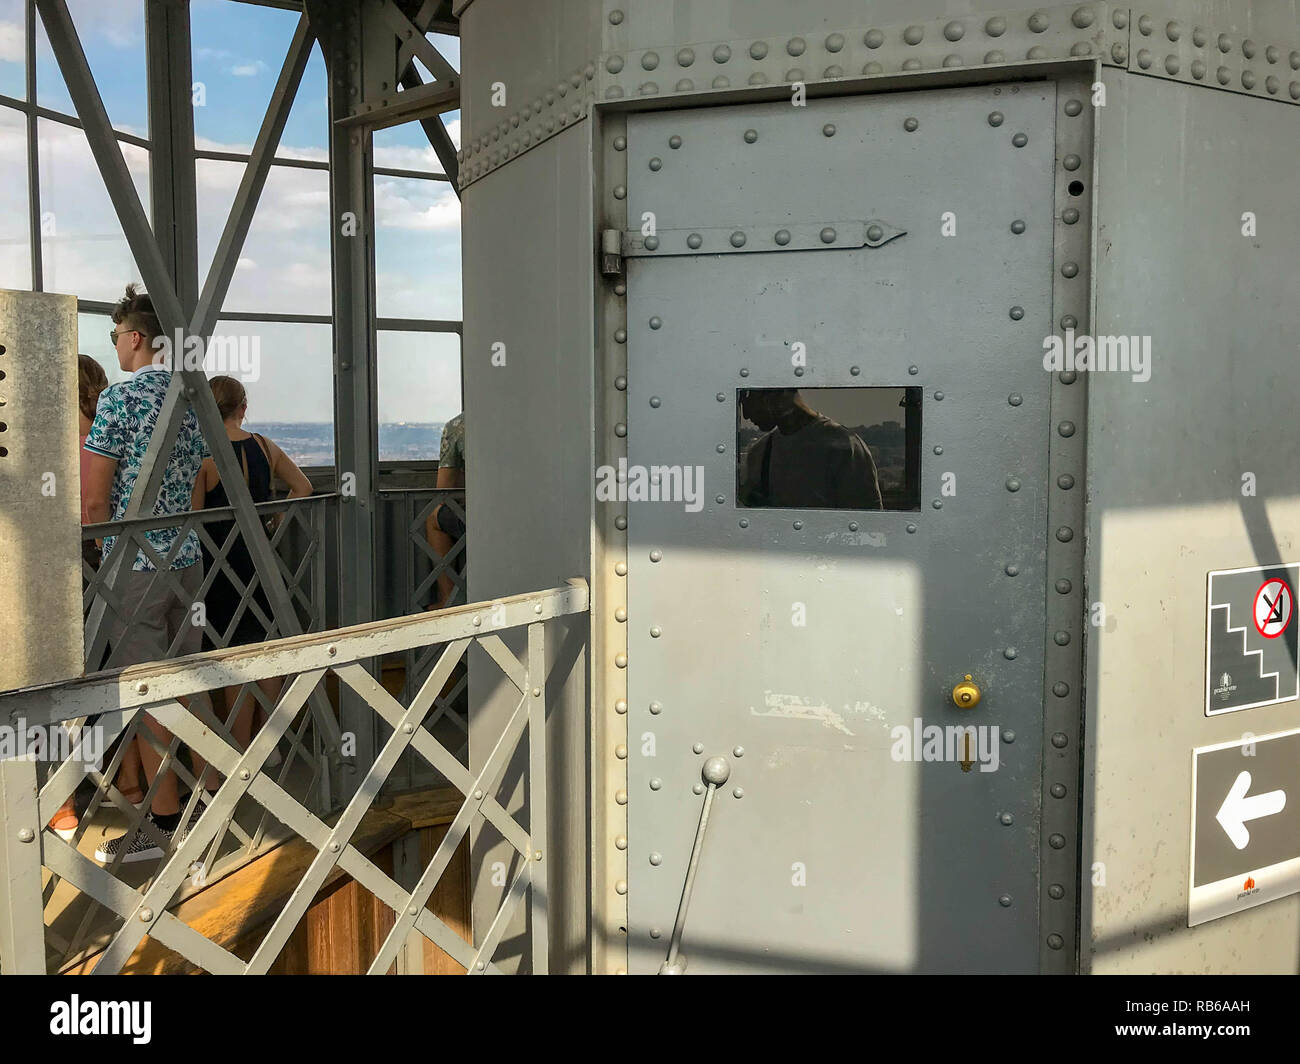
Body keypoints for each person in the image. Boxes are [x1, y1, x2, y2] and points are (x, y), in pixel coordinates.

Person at [84, 284, 212, 864]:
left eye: (115, 337)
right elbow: (200, 478)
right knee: (188, 684)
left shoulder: (118, 402)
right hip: (188, 561)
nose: (114, 347)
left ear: (134, 338)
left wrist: (94, 557)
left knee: (144, 694)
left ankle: (160, 828)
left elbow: (92, 502)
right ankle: (212, 801)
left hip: (132, 567)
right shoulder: (193, 396)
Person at [191, 376, 312, 789]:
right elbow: (303, 486)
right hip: (260, 557)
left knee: (231, 656)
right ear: (243, 407)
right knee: (264, 646)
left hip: (218, 564)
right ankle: (270, 738)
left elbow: (192, 519)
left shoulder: (204, 456)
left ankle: (240, 750)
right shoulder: (263, 445)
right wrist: (274, 518)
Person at [738, 389, 883, 510]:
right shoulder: (759, 452)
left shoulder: (844, 447)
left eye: (747, 399)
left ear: (778, 393)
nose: (746, 414)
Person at [424, 411, 466, 610]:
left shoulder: (458, 426)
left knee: (434, 519)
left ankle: (448, 599)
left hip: (480, 518)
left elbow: (444, 491)